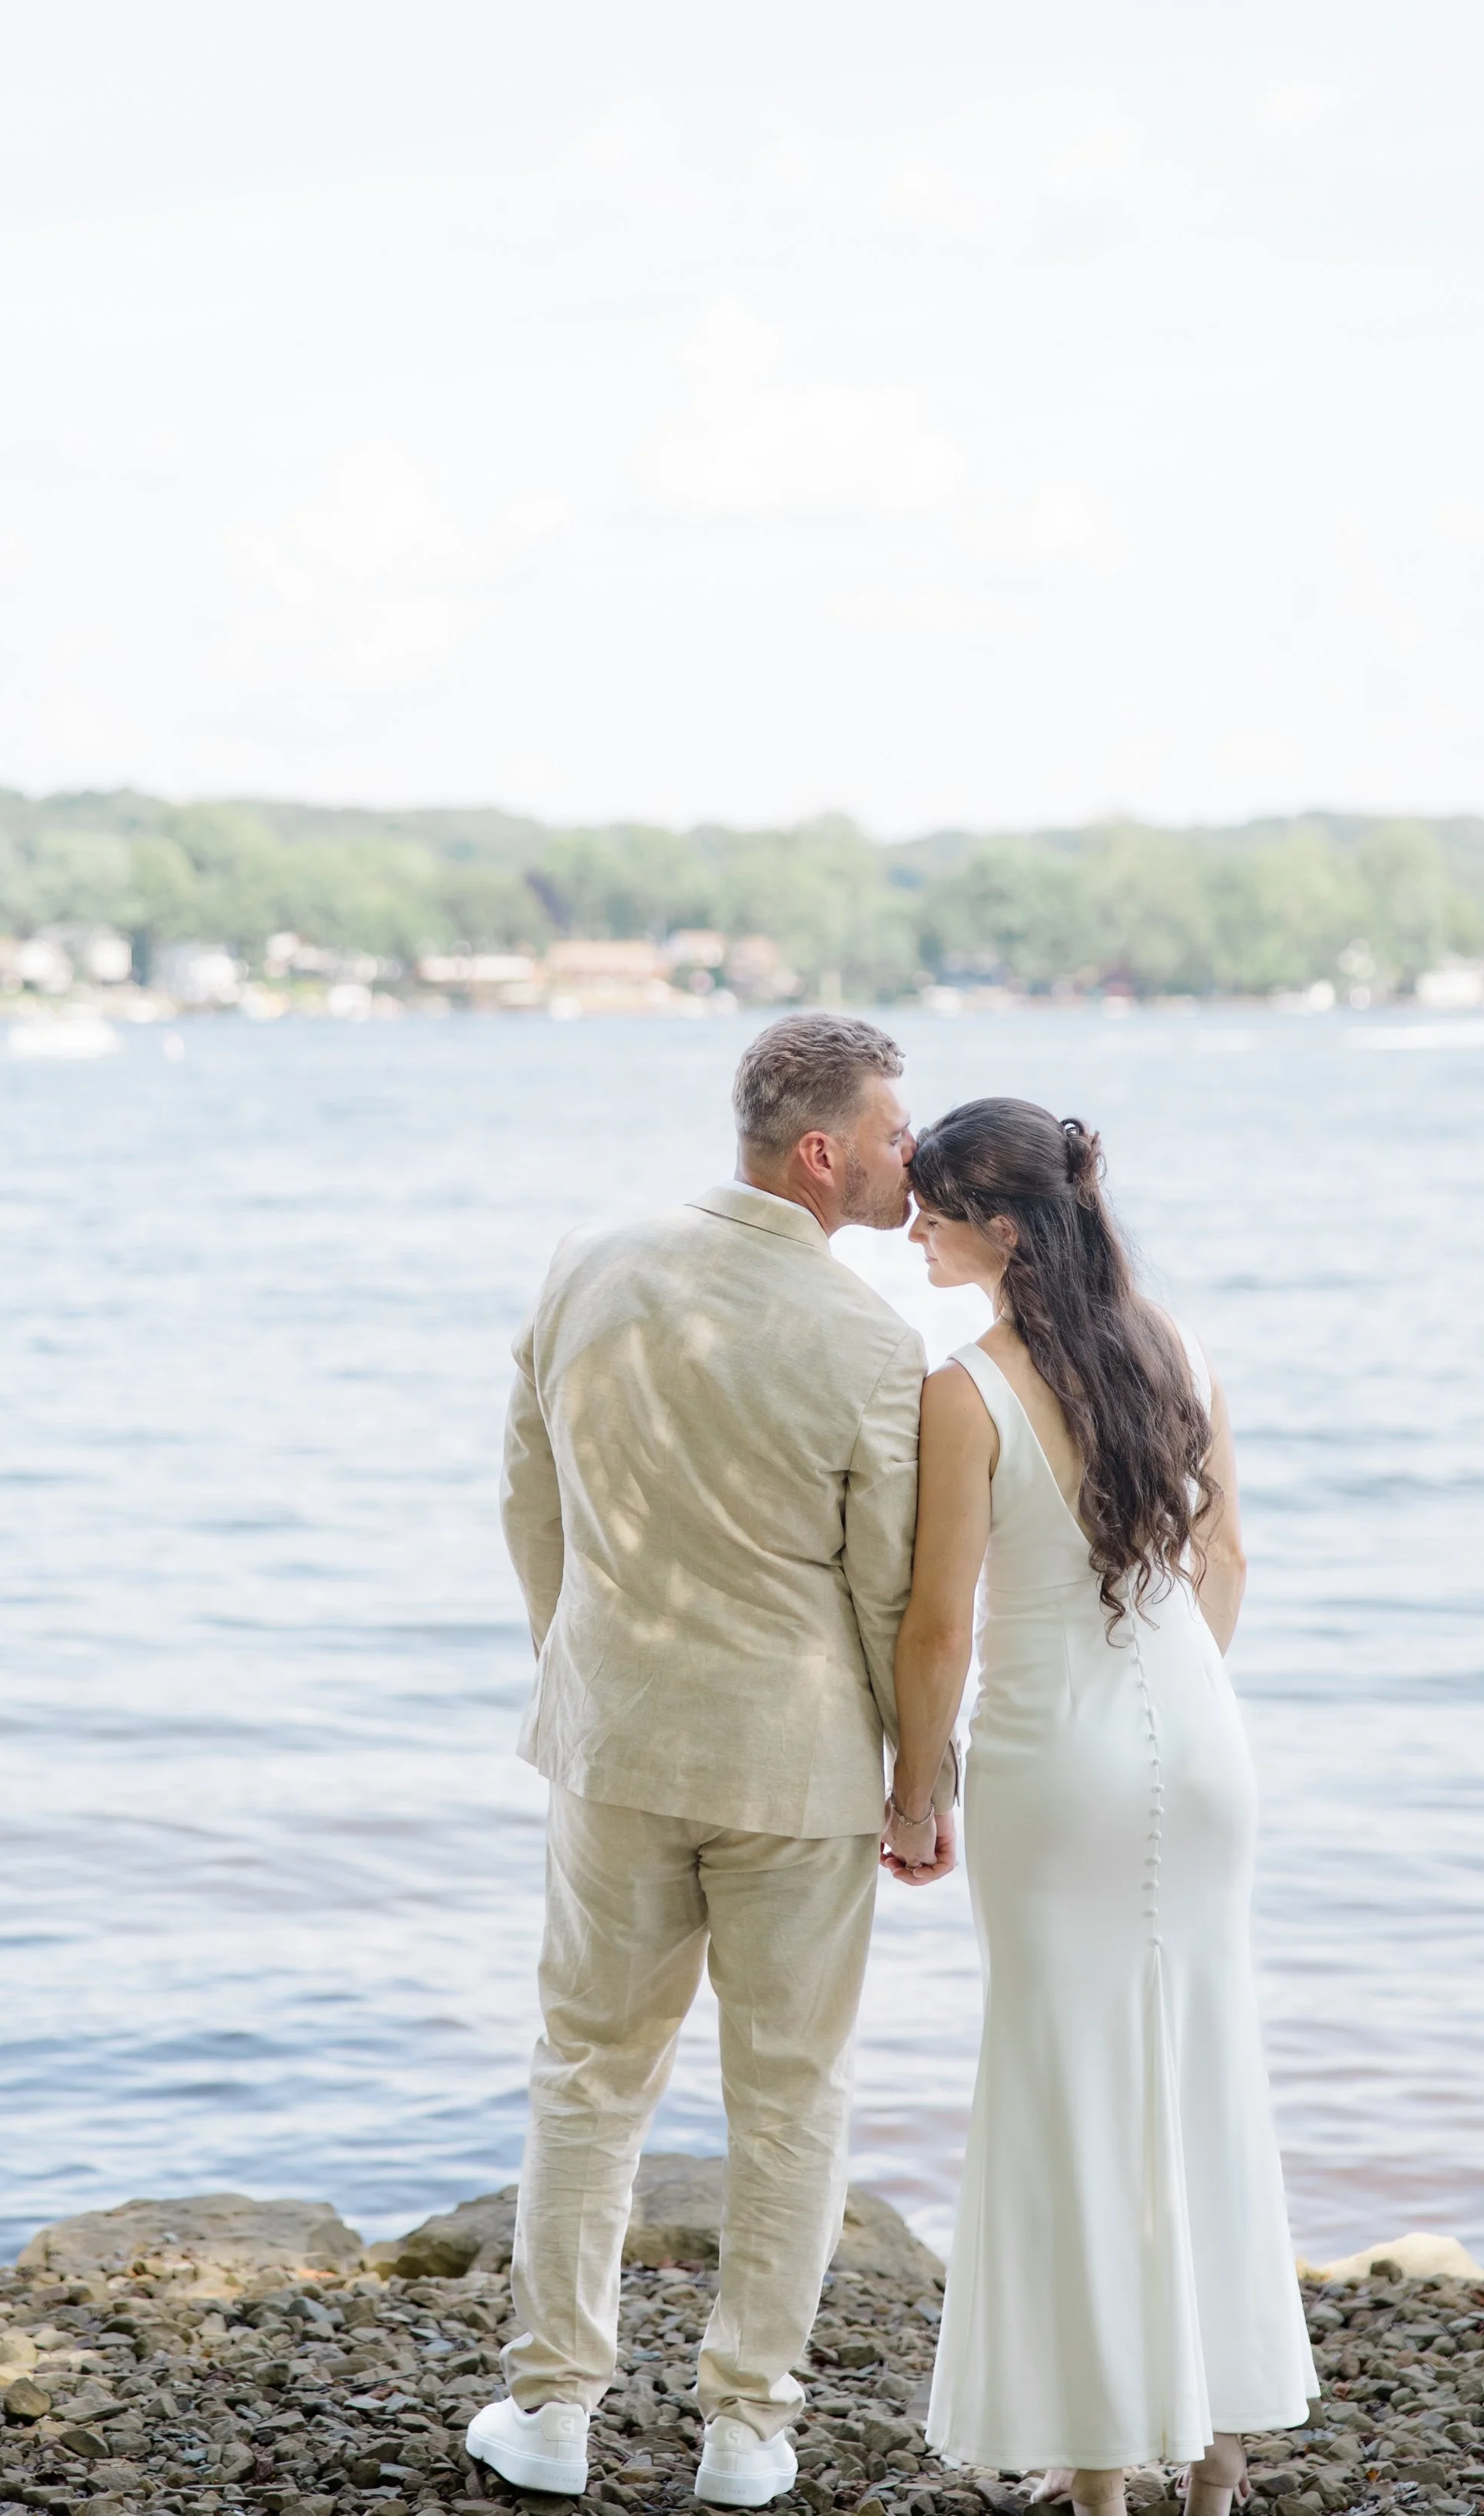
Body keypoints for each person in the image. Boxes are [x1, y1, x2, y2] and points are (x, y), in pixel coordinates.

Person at [467, 1012, 957, 2508]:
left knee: (586, 2076)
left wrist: (581, 1663)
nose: (907, 1158)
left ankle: (550, 2411)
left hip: (612, 1741)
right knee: (792, 2090)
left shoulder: (586, 1261)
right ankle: (747, 2430)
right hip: (795, 1768)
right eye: (890, 1134)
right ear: (823, 1152)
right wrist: (915, 1780)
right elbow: (890, 1597)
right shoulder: (872, 1343)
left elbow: (524, 1496)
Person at [884, 1097, 1318, 2516]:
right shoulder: (1178, 1347)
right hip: (1203, 1744)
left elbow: (940, 1628)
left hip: (1051, 1759)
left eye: (933, 1206)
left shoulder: (969, 1388)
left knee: (1070, 2089)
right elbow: (1228, 1561)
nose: (912, 1226)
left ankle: (1098, 2470)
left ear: (1002, 1227)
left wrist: (913, 1784)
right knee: (1199, 2070)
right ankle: (1217, 2452)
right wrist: (1171, 1703)